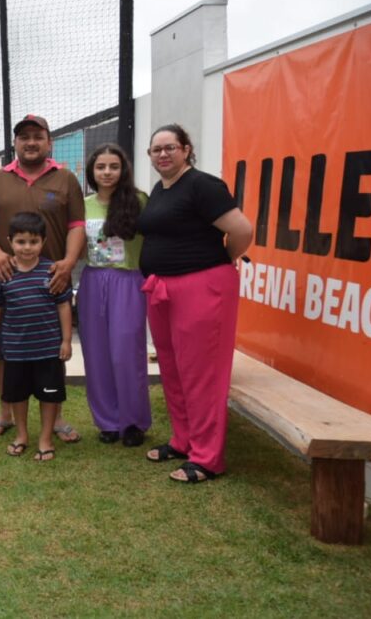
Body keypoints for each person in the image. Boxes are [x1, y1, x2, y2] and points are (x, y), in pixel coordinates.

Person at [138, 124, 252, 483]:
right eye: (156, 150)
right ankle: (184, 440)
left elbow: (242, 230)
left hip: (202, 287)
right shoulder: (160, 189)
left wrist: (222, 261)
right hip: (162, 289)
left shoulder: (203, 185)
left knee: (202, 374)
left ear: (186, 149)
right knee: (172, 367)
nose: (162, 154)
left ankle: (206, 457)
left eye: (170, 147)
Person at [0, 114, 86, 442]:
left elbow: (76, 225)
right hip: (11, 279)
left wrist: (67, 263)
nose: (31, 142)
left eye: (38, 136)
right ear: (15, 144)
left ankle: (57, 416)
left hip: (52, 280)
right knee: (8, 349)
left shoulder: (65, 179)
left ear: (49, 141)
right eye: (24, 137)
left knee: (53, 351)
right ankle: (5, 412)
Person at [78, 144, 151, 447]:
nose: (107, 172)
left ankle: (133, 421)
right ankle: (107, 421)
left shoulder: (139, 201)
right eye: (100, 167)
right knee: (96, 354)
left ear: (123, 170)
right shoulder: (83, 204)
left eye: (113, 166)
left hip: (128, 281)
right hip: (93, 281)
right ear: (92, 172)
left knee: (126, 353)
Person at [0, 212, 73, 461]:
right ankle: (22, 435)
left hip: (47, 350)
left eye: (33, 242)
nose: (27, 247)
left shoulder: (52, 271)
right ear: (9, 241)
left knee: (48, 395)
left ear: (43, 242)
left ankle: (45, 438)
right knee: (18, 395)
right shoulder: (3, 273)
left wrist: (66, 340)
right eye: (21, 242)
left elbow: (64, 306)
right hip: (14, 351)